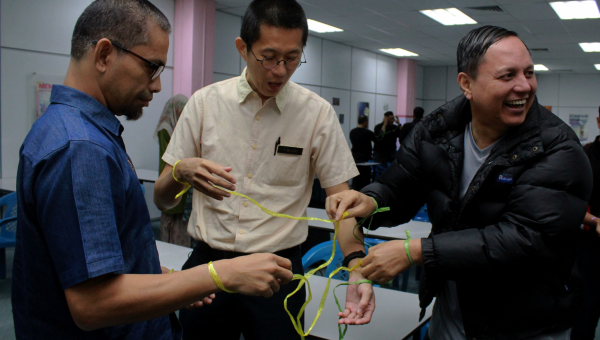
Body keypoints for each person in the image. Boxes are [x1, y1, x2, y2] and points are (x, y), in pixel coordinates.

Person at [12, 1, 294, 339]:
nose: (158, 86)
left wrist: (161, 276)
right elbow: (93, 304)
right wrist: (220, 274)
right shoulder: (81, 148)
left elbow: (83, 261)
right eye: (152, 67)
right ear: (104, 55)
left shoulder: (67, 128)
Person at [326, 25, 591, 340]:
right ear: (467, 83)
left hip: (526, 323)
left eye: (529, 73)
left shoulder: (557, 148)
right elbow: (398, 188)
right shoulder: (436, 132)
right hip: (453, 313)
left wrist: (417, 251)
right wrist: (369, 200)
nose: (525, 86)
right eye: (508, 76)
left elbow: (525, 240)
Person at [153, 0, 374, 338]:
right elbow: (162, 200)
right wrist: (180, 171)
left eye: (292, 58)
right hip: (210, 266)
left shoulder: (316, 114)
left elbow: (341, 204)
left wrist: (356, 266)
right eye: (268, 57)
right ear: (243, 48)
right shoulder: (204, 104)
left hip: (279, 271)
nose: (280, 70)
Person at [571, 105, 600, 340]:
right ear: (599, 122)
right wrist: (594, 221)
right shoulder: (584, 158)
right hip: (590, 250)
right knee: (586, 315)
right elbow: (567, 202)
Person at [155, 94, 193, 247]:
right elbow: (171, 160)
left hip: (179, 181)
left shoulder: (171, 126)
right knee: (172, 232)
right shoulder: (167, 129)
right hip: (173, 179)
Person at [350, 115, 377, 191]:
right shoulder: (368, 133)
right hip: (365, 161)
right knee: (365, 181)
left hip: (355, 159)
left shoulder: (352, 132)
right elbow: (377, 141)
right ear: (365, 122)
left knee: (356, 181)